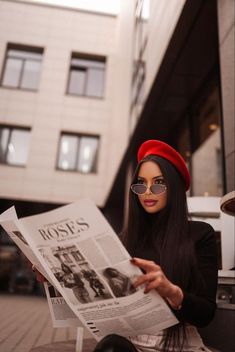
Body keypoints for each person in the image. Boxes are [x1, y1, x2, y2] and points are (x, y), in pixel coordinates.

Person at [93, 140, 218, 352]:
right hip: (131, 342)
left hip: (180, 343)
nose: (148, 191)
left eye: (158, 183)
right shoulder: (126, 239)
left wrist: (172, 292)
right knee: (110, 345)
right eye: (141, 184)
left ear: (174, 188)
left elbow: (206, 314)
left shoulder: (200, 234)